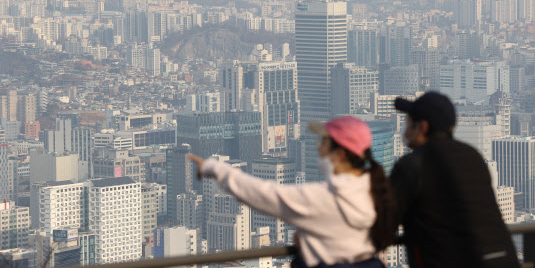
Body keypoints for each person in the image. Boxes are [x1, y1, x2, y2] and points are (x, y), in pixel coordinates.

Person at [189, 116, 395, 268]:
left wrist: (215, 169)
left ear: (339, 154)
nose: (318, 148)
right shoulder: (375, 191)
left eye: (323, 143)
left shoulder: (322, 198)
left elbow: (261, 194)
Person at [391, 91, 520, 268]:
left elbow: (385, 222)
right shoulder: (472, 156)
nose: (405, 129)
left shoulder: (412, 165)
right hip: (505, 260)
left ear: (423, 127)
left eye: (408, 122)